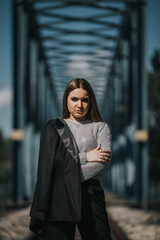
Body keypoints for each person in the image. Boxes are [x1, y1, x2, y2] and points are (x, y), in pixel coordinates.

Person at [29, 78, 112, 240]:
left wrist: (65, 174)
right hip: (60, 196)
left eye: (84, 100)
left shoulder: (100, 127)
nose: (79, 105)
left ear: (91, 102)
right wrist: (86, 156)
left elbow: (102, 162)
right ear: (66, 100)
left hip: (90, 195)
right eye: (74, 99)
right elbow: (49, 165)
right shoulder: (54, 128)